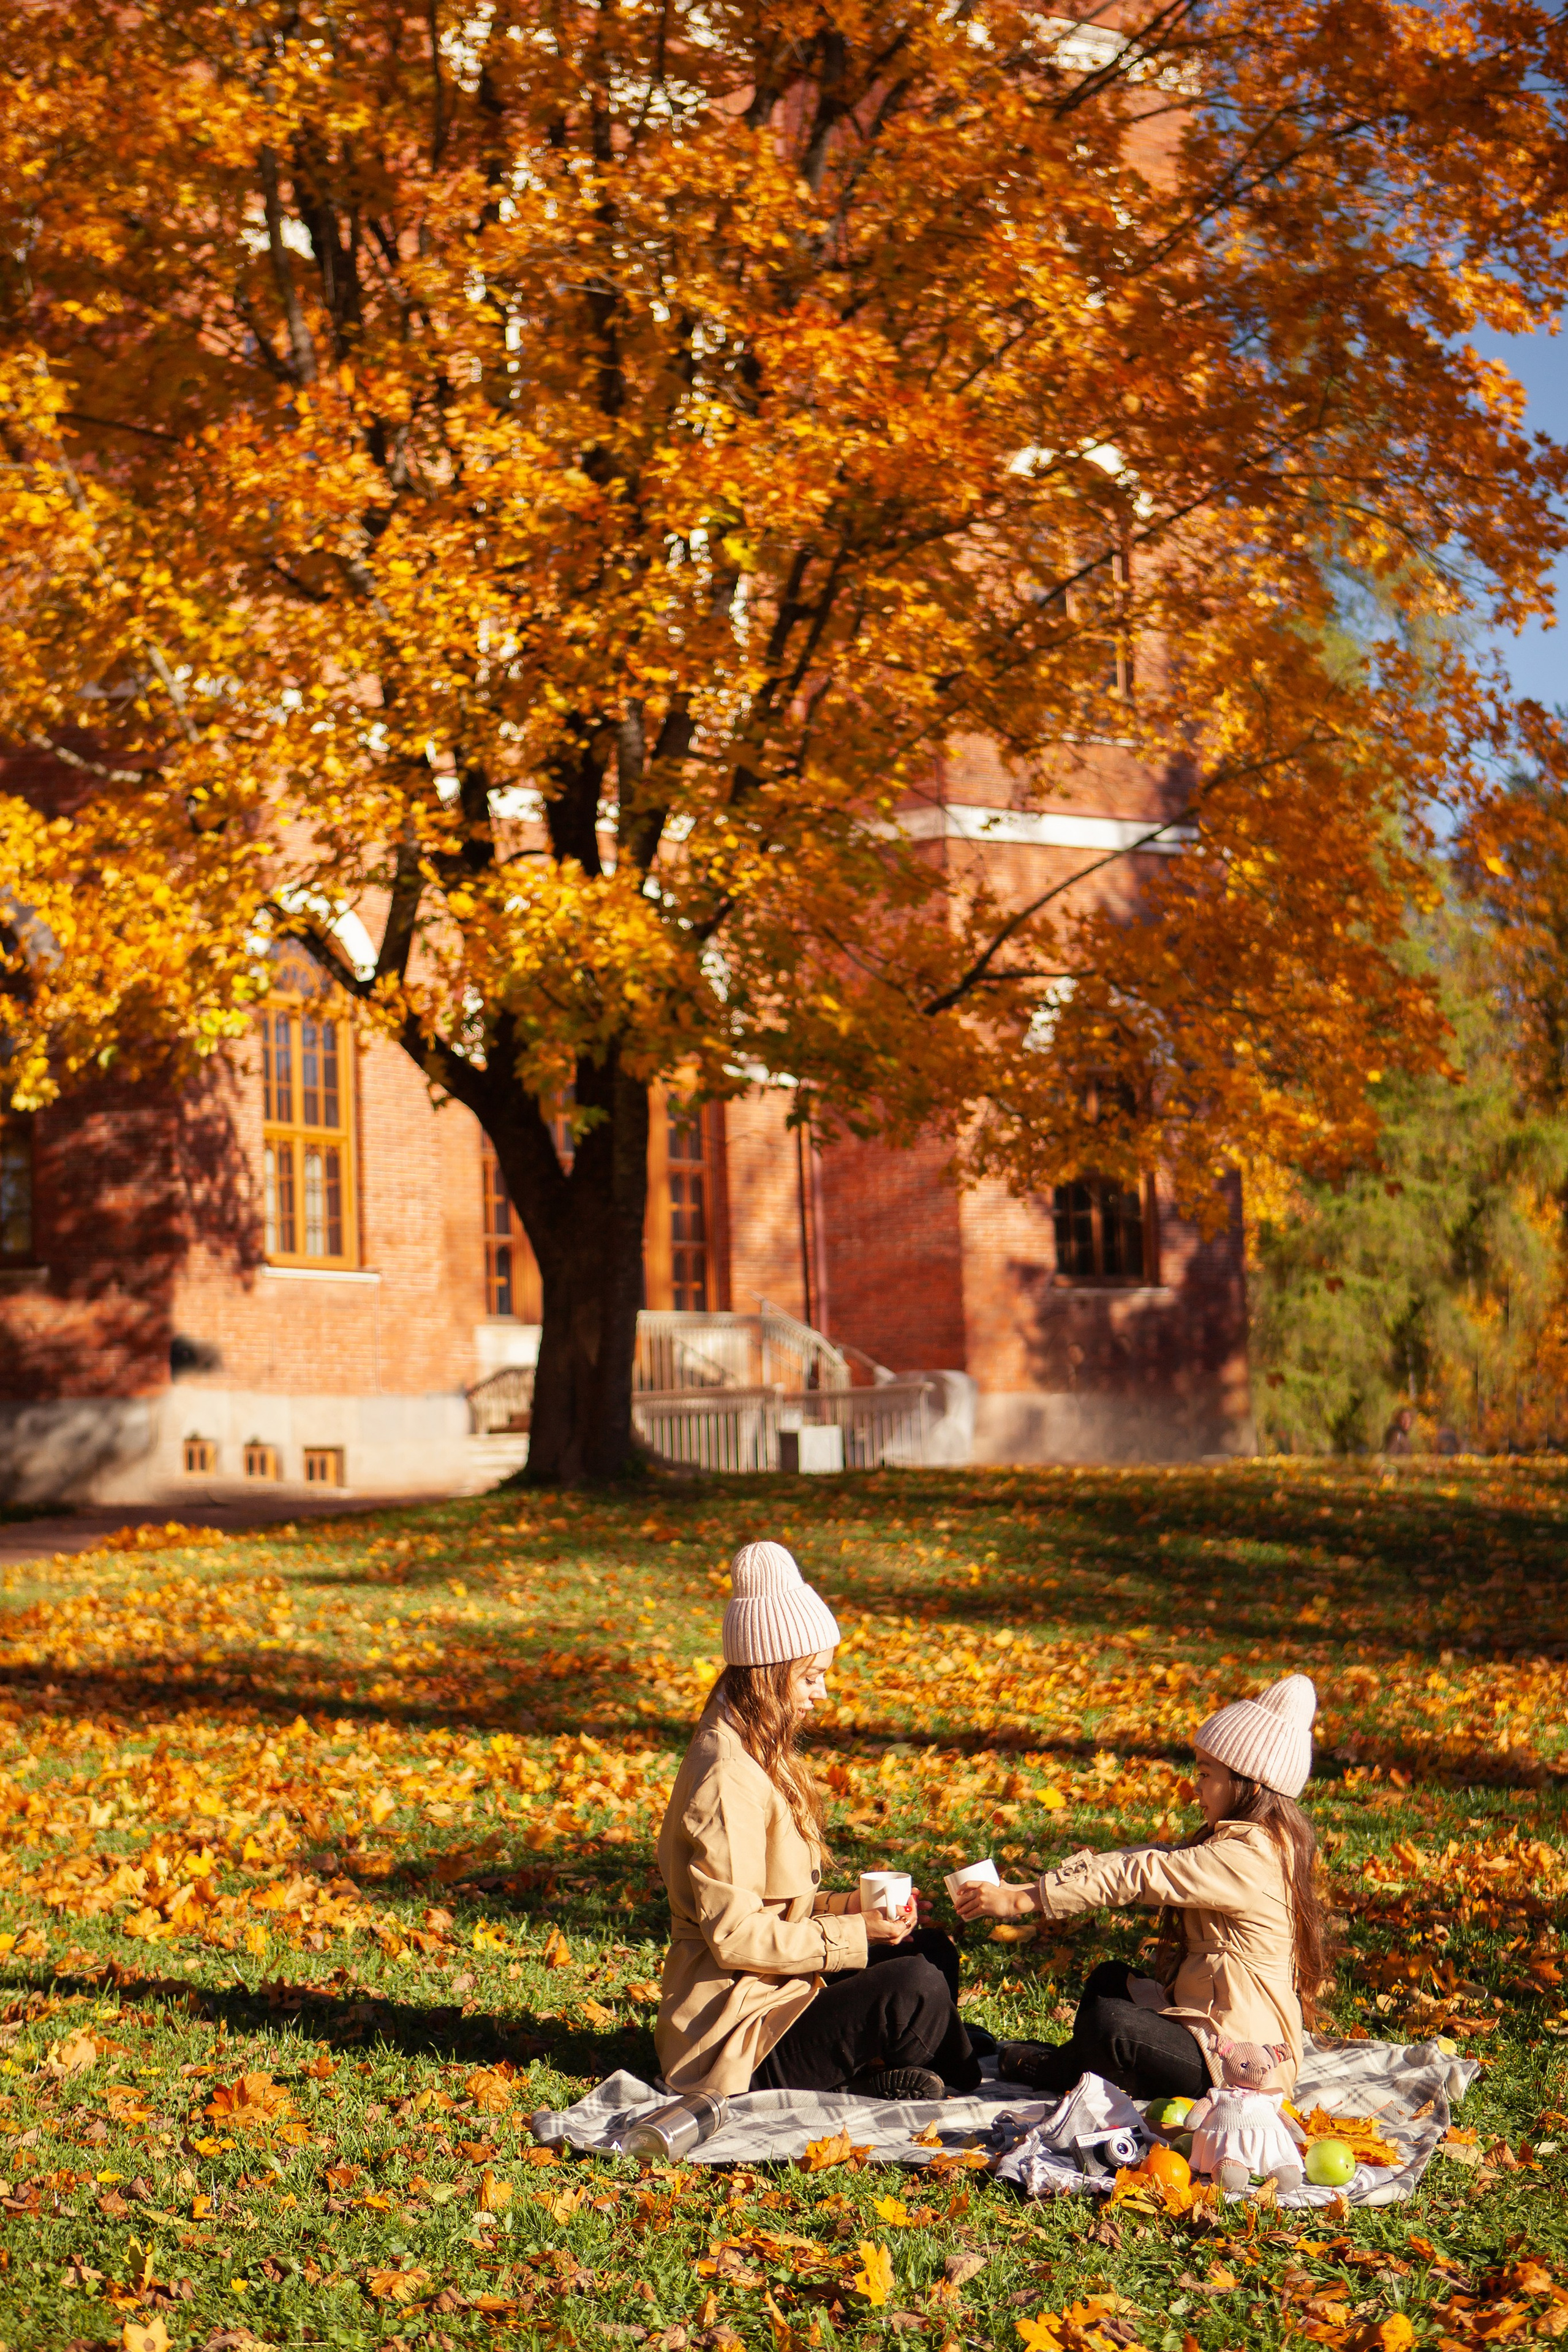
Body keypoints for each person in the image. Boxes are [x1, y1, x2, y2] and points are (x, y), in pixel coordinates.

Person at [655, 1541, 979, 2101]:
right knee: (916, 1986)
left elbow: (772, 1904)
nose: (821, 1693)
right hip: (738, 2035)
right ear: (770, 1673)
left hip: (780, 1990)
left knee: (929, 1952)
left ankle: (901, 2065)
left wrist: (851, 1908)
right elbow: (735, 1936)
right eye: (809, 1677)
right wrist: (856, 1934)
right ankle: (929, 2069)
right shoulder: (728, 1775)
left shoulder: (756, 1744)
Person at [954, 1673, 1324, 2100]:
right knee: (1111, 1980)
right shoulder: (1241, 1841)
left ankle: (1059, 2069)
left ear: (1252, 1784)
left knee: (1112, 2026)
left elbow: (1142, 1873)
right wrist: (1033, 1886)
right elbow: (1150, 1857)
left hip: (1239, 2059)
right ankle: (1080, 2067)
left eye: (1206, 1774)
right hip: (1198, 2022)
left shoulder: (1251, 1858)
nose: (1196, 1787)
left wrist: (1022, 1900)